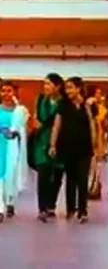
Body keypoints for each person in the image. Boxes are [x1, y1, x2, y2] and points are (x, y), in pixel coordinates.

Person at [49, 76, 96, 222]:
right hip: (67, 146)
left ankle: (83, 210)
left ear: (79, 88)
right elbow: (57, 125)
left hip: (84, 147)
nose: (68, 91)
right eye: (67, 88)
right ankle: (71, 209)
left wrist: (95, 144)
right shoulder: (62, 104)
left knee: (83, 179)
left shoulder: (88, 105)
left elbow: (92, 124)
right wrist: (53, 144)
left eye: (71, 87)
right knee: (70, 179)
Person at [31, 73, 63, 222]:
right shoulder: (40, 100)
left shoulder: (63, 103)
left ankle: (52, 204)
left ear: (57, 86)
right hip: (41, 141)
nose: (46, 87)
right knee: (43, 174)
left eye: (49, 84)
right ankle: (42, 207)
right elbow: (35, 116)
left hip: (59, 141)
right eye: (44, 84)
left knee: (57, 174)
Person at [0, 82, 28, 219]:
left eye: (9, 91)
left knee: (10, 175)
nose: (6, 94)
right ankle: (0, 207)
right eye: (3, 91)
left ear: (14, 93)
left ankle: (10, 201)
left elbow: (22, 129)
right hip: (0, 146)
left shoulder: (20, 111)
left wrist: (15, 133)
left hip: (13, 148)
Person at [86, 85, 108, 200]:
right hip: (93, 139)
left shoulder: (100, 108)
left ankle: (92, 188)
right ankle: (91, 189)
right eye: (98, 93)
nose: (100, 96)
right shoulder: (92, 105)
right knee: (93, 166)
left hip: (96, 138)